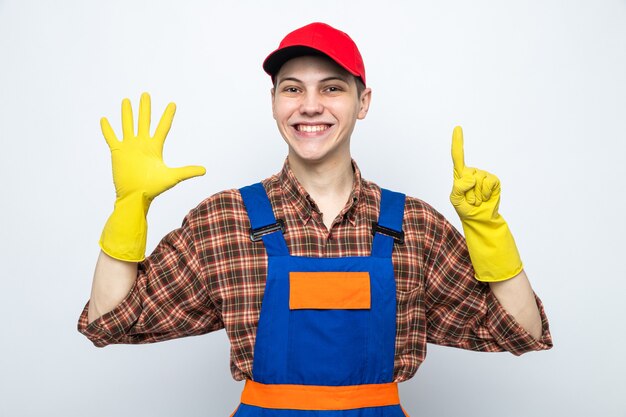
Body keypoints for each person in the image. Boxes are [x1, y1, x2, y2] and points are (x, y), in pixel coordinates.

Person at [78, 22, 552, 416]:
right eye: (292, 89)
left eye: (332, 88)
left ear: (363, 102)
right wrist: (129, 208)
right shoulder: (224, 220)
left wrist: (488, 232)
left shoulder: (414, 225)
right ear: (274, 103)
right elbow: (110, 321)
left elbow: (520, 332)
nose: (309, 105)